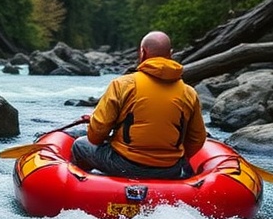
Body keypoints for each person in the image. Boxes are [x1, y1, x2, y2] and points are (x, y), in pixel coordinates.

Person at [70, 30, 206, 179]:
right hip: (169, 170)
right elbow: (197, 139)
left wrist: (97, 123)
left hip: (124, 165)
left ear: (142, 52)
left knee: (80, 145)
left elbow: (96, 136)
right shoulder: (189, 92)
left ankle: (89, 183)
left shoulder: (122, 84)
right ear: (171, 54)